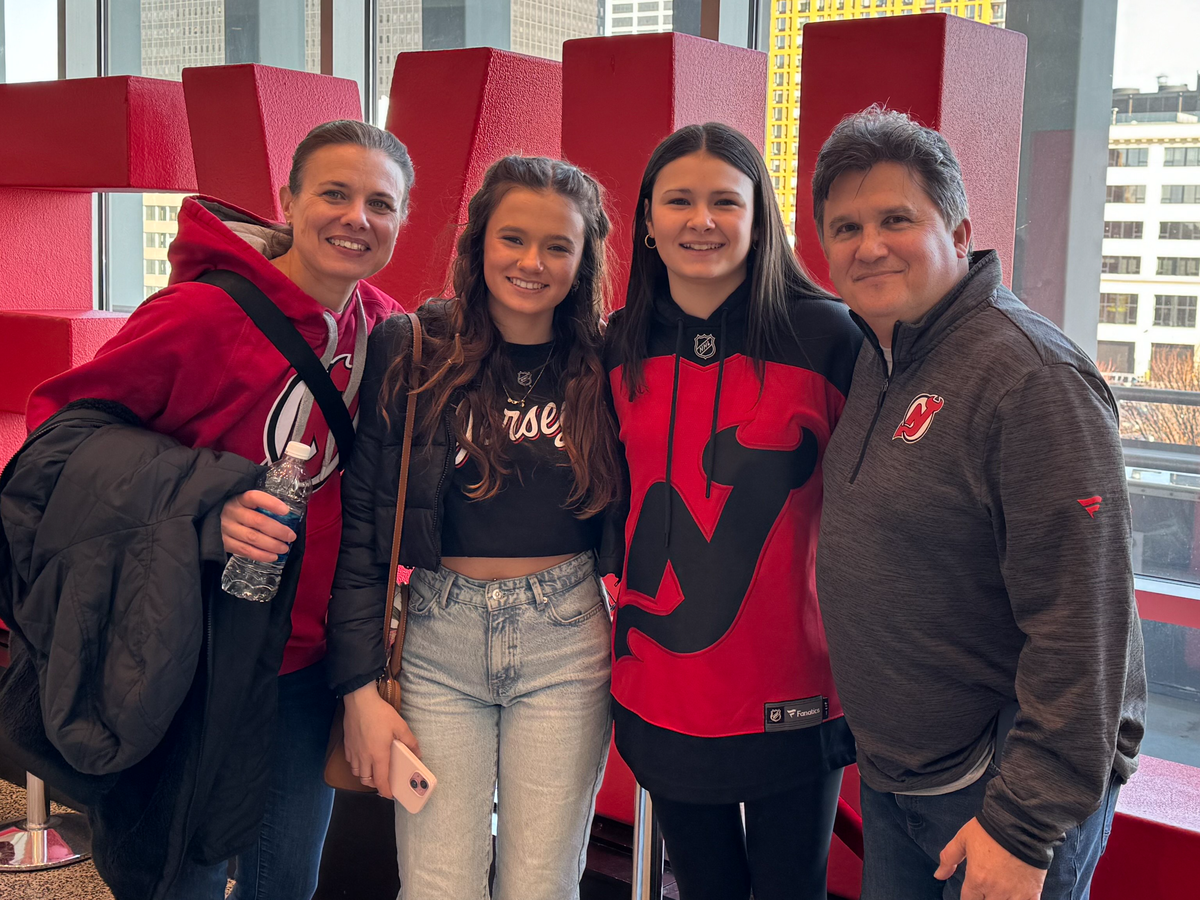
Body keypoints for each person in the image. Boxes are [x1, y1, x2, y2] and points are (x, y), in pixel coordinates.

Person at [21, 119, 413, 899]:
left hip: (303, 664)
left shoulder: (387, 329)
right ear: (288, 201)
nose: (356, 218)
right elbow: (59, 438)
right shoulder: (200, 315)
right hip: (180, 656)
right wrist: (207, 502)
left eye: (380, 203)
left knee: (286, 881)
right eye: (334, 194)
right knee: (174, 880)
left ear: (403, 218)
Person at [811, 106, 1146, 900]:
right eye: (846, 227)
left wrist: (1021, 826)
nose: (869, 245)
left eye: (897, 219)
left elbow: (1085, 628)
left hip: (996, 802)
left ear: (959, 234)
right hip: (900, 782)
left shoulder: (1032, 380)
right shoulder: (880, 356)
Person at [325, 155, 622, 900]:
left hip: (565, 640)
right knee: (436, 887)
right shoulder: (412, 347)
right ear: (479, 241)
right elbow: (363, 530)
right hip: (436, 638)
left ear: (584, 260)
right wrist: (358, 686)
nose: (532, 262)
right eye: (512, 238)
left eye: (557, 246)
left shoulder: (607, 360)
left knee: (541, 886)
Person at [603, 122, 861, 900]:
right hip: (661, 681)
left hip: (795, 681)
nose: (702, 220)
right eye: (679, 200)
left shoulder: (830, 335)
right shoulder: (617, 344)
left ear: (759, 217)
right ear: (648, 221)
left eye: (725, 201)